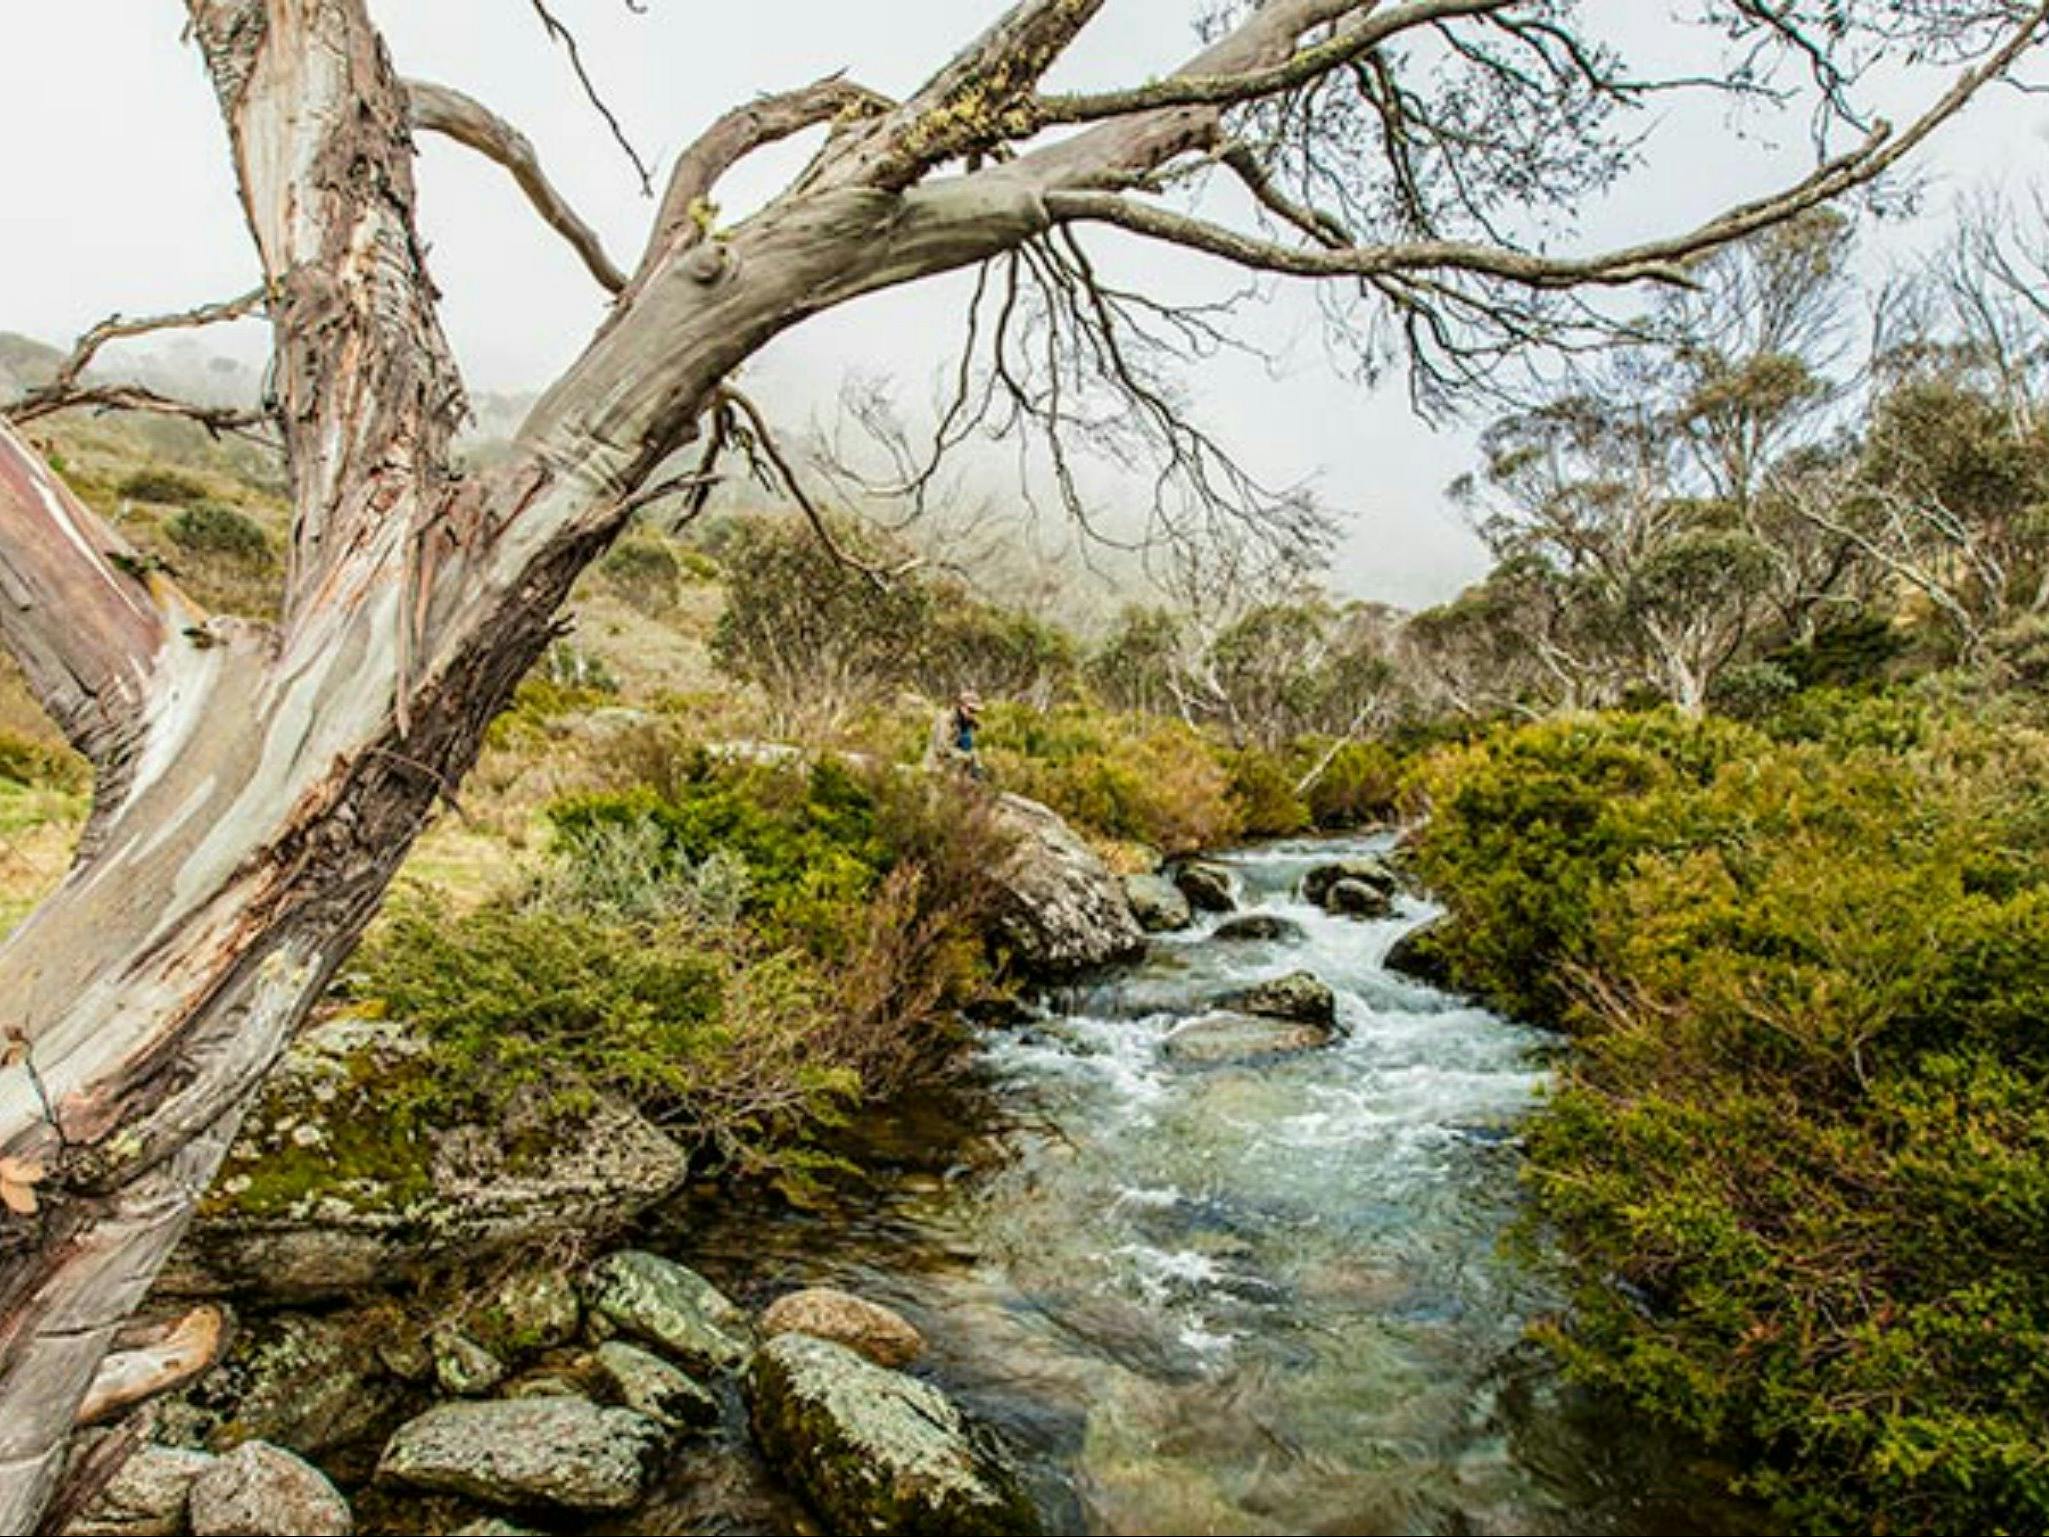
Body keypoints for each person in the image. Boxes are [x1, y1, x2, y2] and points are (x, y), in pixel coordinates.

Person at [927, 688, 986, 780]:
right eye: (970, 710)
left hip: (959, 766)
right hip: (937, 767)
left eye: (975, 712)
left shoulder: (969, 723)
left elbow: (970, 747)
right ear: (961, 706)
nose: (973, 714)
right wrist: (966, 756)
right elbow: (941, 749)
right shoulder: (945, 720)